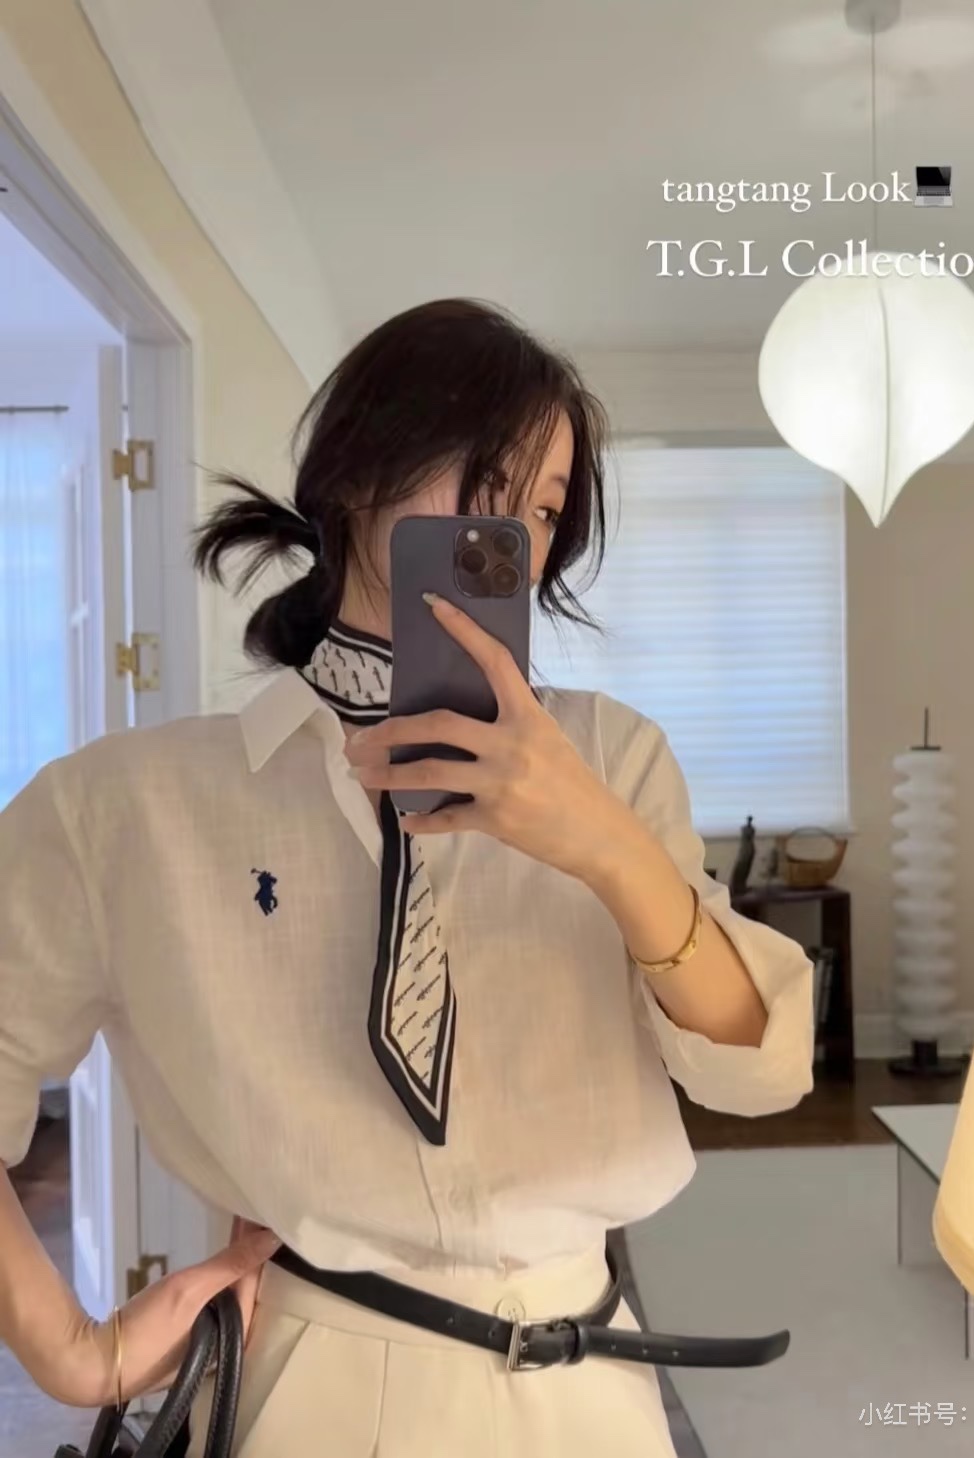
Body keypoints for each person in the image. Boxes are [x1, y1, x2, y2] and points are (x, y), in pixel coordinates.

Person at [0, 298, 814, 1456]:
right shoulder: (127, 806)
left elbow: (761, 1071)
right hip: (314, 1382)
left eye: (542, 508)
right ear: (357, 475)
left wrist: (601, 841)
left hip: (593, 1385)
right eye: (482, 483)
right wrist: (70, 1353)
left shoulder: (613, 758)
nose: (509, 534)